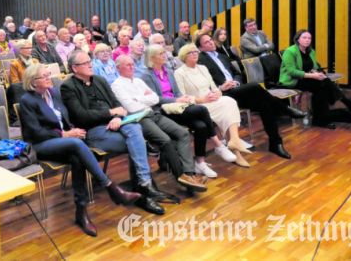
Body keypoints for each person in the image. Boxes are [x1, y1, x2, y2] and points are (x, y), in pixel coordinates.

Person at [19, 64, 141, 237]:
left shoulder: (53, 93)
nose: (49, 78)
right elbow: (35, 132)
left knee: (78, 158)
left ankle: (81, 213)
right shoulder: (27, 100)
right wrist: (65, 134)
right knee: (77, 146)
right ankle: (111, 187)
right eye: (44, 76)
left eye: (48, 74)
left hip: (64, 142)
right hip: (41, 144)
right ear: (33, 82)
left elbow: (66, 118)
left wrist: (75, 131)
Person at [60, 51, 167, 215]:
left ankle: (144, 185)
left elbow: (117, 104)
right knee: (136, 142)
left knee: (134, 128)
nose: (91, 64)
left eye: (90, 61)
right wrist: (111, 113)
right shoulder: (68, 87)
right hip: (94, 130)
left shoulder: (100, 80)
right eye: (85, 63)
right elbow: (81, 116)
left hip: (116, 124)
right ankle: (145, 191)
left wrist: (117, 117)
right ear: (75, 68)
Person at [196, 34, 305, 159]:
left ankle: (276, 143)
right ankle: (284, 108)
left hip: (237, 90)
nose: (211, 43)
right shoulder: (200, 61)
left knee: (265, 104)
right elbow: (203, 84)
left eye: (211, 40)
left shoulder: (222, 56)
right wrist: (221, 87)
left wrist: (236, 82)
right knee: (254, 86)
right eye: (206, 42)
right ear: (201, 48)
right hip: (223, 95)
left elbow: (237, 73)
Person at [111, 55, 207, 192]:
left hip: (153, 114)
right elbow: (132, 107)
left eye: (132, 64)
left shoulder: (138, 81)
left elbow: (155, 98)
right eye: (127, 65)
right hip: (139, 119)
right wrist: (145, 97)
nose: (132, 67)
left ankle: (190, 174)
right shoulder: (116, 85)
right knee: (165, 140)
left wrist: (138, 98)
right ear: (118, 68)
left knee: (183, 133)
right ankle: (182, 176)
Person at [143, 44, 236, 178]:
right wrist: (176, 100)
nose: (165, 56)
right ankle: (218, 145)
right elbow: (154, 99)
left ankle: (200, 161)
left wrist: (182, 97)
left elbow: (177, 92)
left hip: (179, 107)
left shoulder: (168, 71)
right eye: (161, 54)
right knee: (202, 109)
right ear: (152, 58)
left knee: (201, 126)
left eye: (164, 53)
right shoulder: (147, 75)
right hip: (164, 111)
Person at [173, 44, 251, 168]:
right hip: (199, 105)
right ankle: (235, 148)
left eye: (196, 51)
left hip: (212, 100)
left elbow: (214, 88)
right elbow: (182, 96)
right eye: (190, 52)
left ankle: (234, 141)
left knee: (229, 101)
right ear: (184, 56)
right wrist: (201, 99)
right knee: (227, 106)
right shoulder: (179, 73)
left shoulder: (203, 68)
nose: (195, 54)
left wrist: (217, 93)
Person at [279, 30, 351, 128]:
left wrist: (318, 73)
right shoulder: (290, 51)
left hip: (306, 78)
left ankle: (321, 119)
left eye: (309, 38)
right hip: (292, 80)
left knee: (323, 84)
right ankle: (345, 103)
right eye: (304, 38)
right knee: (321, 85)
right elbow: (291, 72)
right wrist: (313, 76)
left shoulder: (311, 51)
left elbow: (314, 66)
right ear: (297, 39)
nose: (307, 40)